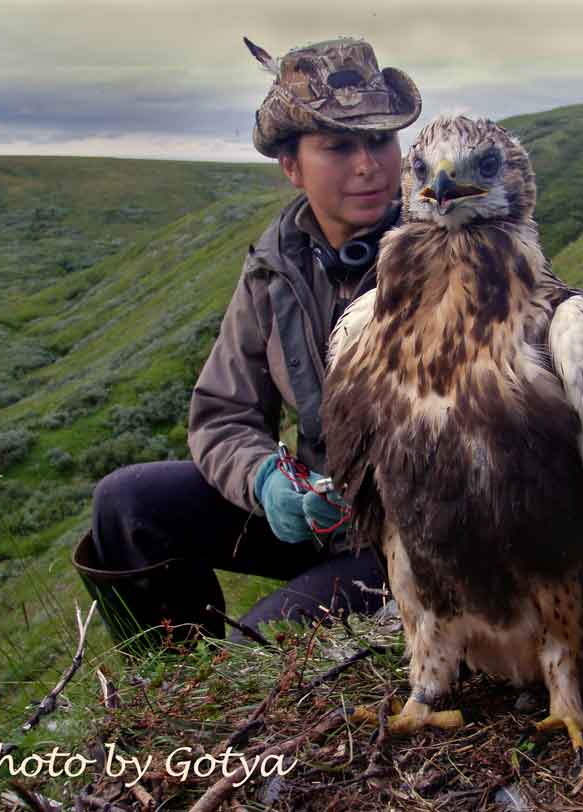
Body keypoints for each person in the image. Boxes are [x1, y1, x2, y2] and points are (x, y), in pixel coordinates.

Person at [71, 37, 422, 652]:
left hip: (425, 542)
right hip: (325, 518)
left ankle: (229, 688)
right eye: (339, 146)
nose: (369, 165)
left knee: (258, 653)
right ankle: (172, 687)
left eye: (381, 140)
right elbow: (222, 413)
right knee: (125, 504)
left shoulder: (452, 249)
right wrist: (263, 477)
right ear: (291, 165)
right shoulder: (274, 266)